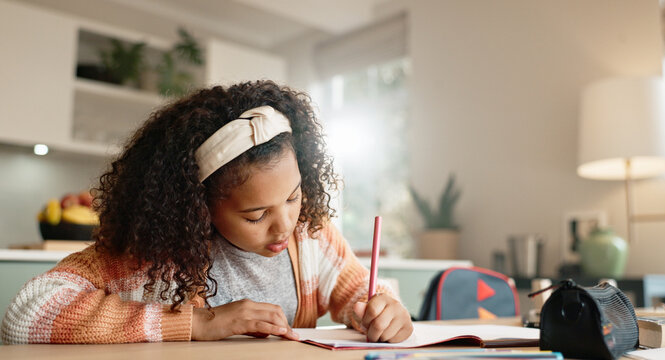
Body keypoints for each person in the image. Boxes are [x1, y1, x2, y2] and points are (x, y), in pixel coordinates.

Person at [1, 80, 413, 344]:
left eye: (293, 196)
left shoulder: (311, 235)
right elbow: (24, 315)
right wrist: (196, 324)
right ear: (199, 206)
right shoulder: (152, 255)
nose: (285, 225)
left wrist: (381, 310)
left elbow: (359, 292)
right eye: (255, 215)